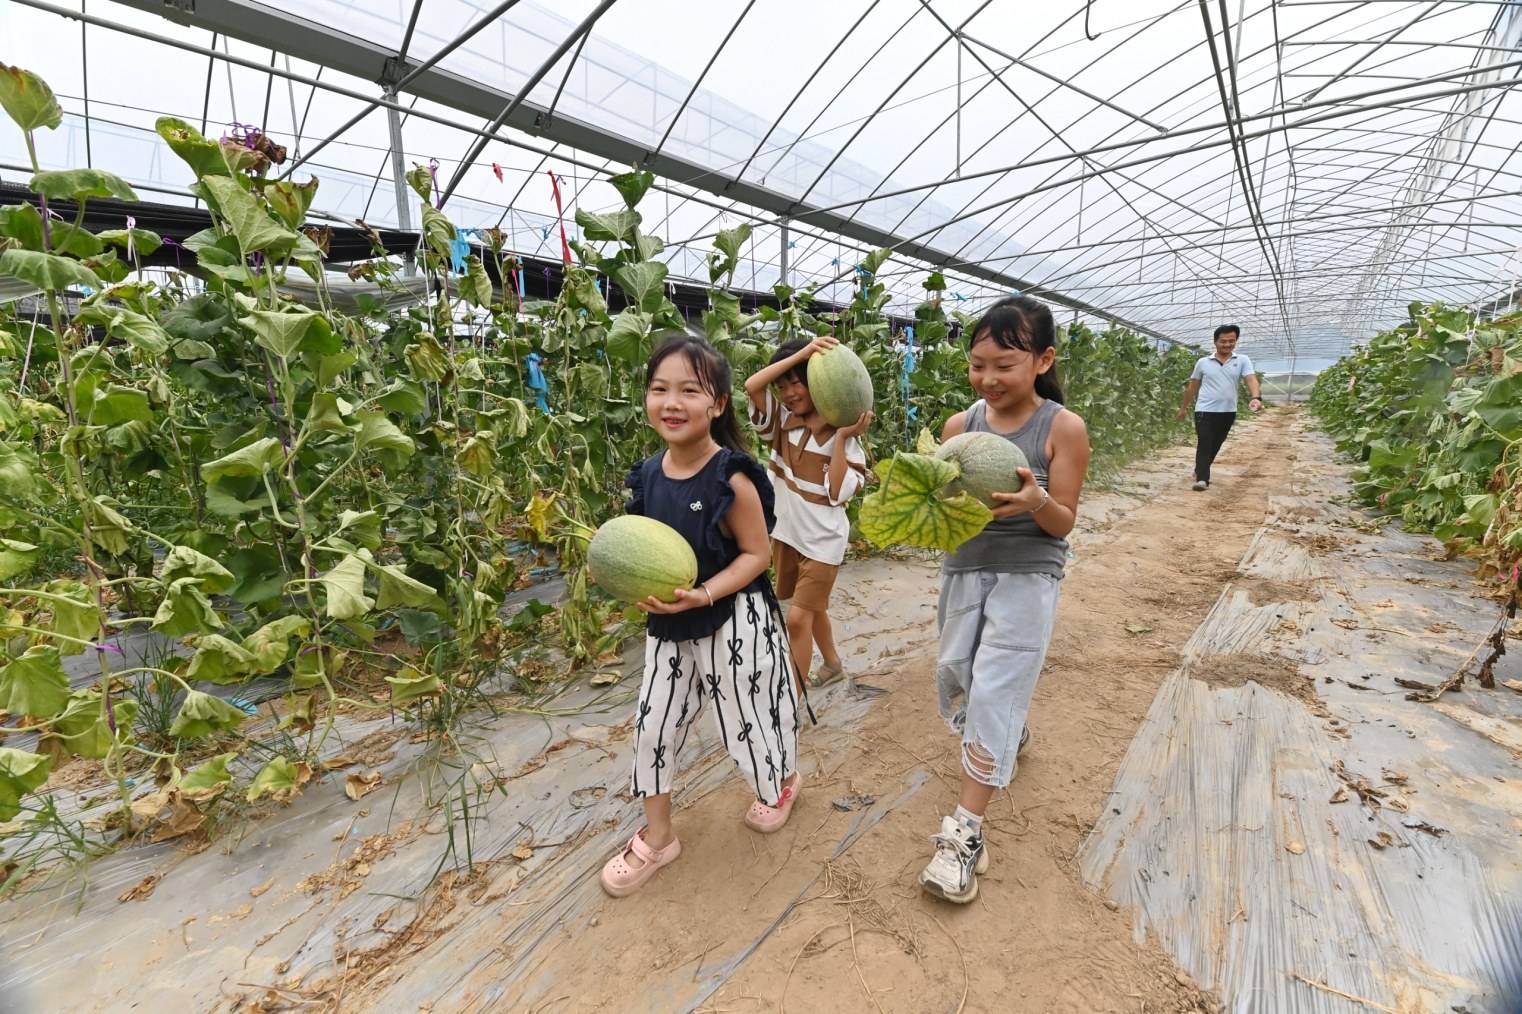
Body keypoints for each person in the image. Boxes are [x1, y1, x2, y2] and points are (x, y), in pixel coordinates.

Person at [600, 336, 803, 898]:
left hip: (735, 618)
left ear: (717, 404)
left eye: (689, 390)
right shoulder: (646, 476)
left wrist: (705, 593)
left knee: (750, 719)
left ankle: (780, 783)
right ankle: (660, 838)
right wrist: (640, 590)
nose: (672, 402)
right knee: (653, 727)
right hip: (670, 627)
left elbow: (758, 556)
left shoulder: (731, 478)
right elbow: (641, 549)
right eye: (659, 389)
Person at [921, 296, 1091, 905]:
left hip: (1028, 573)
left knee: (993, 690)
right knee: (956, 675)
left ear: (1043, 360)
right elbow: (941, 508)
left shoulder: (1062, 428)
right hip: (965, 569)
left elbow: (1064, 522)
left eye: (1005, 365)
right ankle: (1006, 735)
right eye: (977, 365)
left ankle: (965, 832)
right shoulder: (958, 429)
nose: (989, 379)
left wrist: (1036, 502)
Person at [743, 335, 872, 693]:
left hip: (823, 546)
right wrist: (800, 355)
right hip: (787, 535)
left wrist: (844, 438)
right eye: (782, 387)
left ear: (819, 386)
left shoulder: (848, 444)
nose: (788, 394)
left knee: (798, 619)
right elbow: (753, 385)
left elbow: (836, 492)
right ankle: (832, 664)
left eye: (796, 383)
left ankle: (791, 699)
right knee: (812, 612)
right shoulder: (781, 424)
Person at [1176, 324, 1262, 491]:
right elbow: (1192, 387)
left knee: (1216, 444)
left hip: (1228, 411)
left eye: (1232, 341)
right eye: (1223, 341)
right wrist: (1183, 408)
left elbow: (1251, 379)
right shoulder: (1203, 363)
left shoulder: (1242, 360)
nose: (1227, 345)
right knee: (1204, 442)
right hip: (1204, 410)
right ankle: (1203, 479)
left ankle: (1199, 469)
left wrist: (1256, 397)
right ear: (1215, 342)